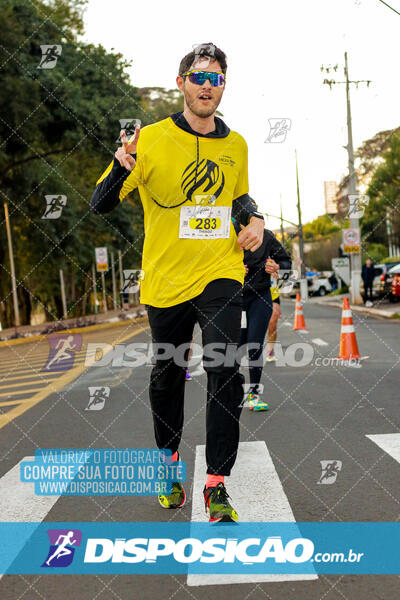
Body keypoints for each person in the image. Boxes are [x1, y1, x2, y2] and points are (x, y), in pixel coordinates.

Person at [91, 43, 265, 523]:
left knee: (225, 365)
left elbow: (239, 198)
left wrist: (255, 220)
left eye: (216, 79)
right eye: (199, 77)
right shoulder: (147, 140)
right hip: (166, 281)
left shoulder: (237, 145)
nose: (207, 86)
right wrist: (118, 165)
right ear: (181, 83)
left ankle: (216, 483)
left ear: (224, 86)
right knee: (168, 372)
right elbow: (100, 204)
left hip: (220, 272)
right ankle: (167, 461)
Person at [234, 220, 291, 411]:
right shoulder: (227, 235)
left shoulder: (266, 236)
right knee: (235, 346)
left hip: (260, 296)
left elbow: (286, 262)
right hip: (236, 298)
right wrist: (233, 269)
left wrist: (276, 266)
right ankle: (232, 392)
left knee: (254, 345)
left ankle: (254, 395)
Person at [266, 275, 282, 363]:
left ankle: (270, 351)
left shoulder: (273, 260)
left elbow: (286, 264)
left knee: (272, 323)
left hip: (273, 293)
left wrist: (278, 267)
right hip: (252, 292)